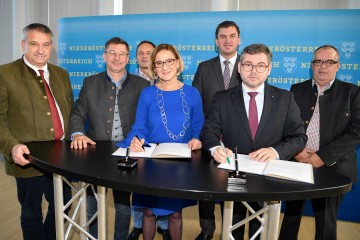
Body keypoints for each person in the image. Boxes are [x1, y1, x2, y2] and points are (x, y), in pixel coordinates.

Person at [200, 43, 307, 240]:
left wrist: (275, 151)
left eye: (260, 65)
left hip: (268, 176)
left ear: (269, 69)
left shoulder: (285, 98)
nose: (253, 71)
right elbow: (209, 130)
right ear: (239, 67)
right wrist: (215, 147)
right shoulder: (221, 98)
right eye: (248, 64)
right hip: (234, 174)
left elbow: (299, 137)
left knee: (262, 230)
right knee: (233, 227)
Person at [118, 43, 204, 240]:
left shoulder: (192, 93)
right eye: (159, 63)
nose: (165, 67)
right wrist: (135, 141)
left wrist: (196, 139)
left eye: (169, 61)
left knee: (175, 213)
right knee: (148, 212)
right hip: (151, 162)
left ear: (178, 63)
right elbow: (139, 126)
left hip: (180, 163)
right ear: (154, 68)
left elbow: (199, 125)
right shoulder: (147, 94)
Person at [69, 37, 149, 240]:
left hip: (126, 153)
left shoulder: (141, 85)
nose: (117, 58)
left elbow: (146, 120)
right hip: (95, 153)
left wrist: (139, 139)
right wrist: (77, 133)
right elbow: (78, 114)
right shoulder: (90, 82)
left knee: (123, 207)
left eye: (122, 54)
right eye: (112, 53)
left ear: (128, 58)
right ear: (104, 56)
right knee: (91, 206)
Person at [0, 23, 74, 240]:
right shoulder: (5, 74)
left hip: (62, 157)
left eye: (46, 45)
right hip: (27, 157)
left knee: (63, 206)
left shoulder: (61, 74)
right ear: (23, 44)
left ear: (52, 47)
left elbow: (69, 111)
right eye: (34, 44)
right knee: (31, 213)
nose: (41, 50)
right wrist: (11, 146)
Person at [279, 45, 360, 240]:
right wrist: (297, 151)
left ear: (338, 66)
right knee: (291, 215)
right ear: (311, 65)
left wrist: (322, 157)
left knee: (326, 221)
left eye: (329, 62)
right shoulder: (296, 89)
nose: (322, 67)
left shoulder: (353, 93)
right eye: (317, 61)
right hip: (298, 161)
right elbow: (286, 125)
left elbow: (356, 132)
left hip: (334, 167)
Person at [192, 20, 242, 240]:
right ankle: (207, 229)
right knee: (207, 189)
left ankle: (233, 232)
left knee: (236, 189)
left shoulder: (247, 65)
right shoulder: (204, 67)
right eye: (223, 36)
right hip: (208, 139)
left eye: (232, 36)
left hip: (239, 141)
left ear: (239, 39)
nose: (228, 40)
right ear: (216, 41)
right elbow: (195, 103)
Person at [128, 40, 170, 240]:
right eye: (140, 53)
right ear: (136, 57)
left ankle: (163, 225)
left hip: (163, 148)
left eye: (148, 53)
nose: (144, 56)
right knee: (141, 192)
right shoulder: (131, 80)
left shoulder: (165, 77)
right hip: (139, 143)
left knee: (163, 193)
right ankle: (138, 227)